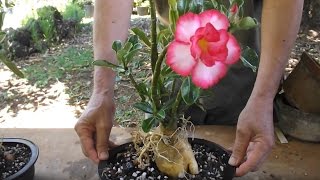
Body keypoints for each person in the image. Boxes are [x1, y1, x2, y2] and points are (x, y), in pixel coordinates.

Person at [74, 0, 304, 177]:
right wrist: (102, 91)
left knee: (235, 157)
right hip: (169, 88)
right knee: (162, 138)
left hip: (247, 90)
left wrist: (263, 98)